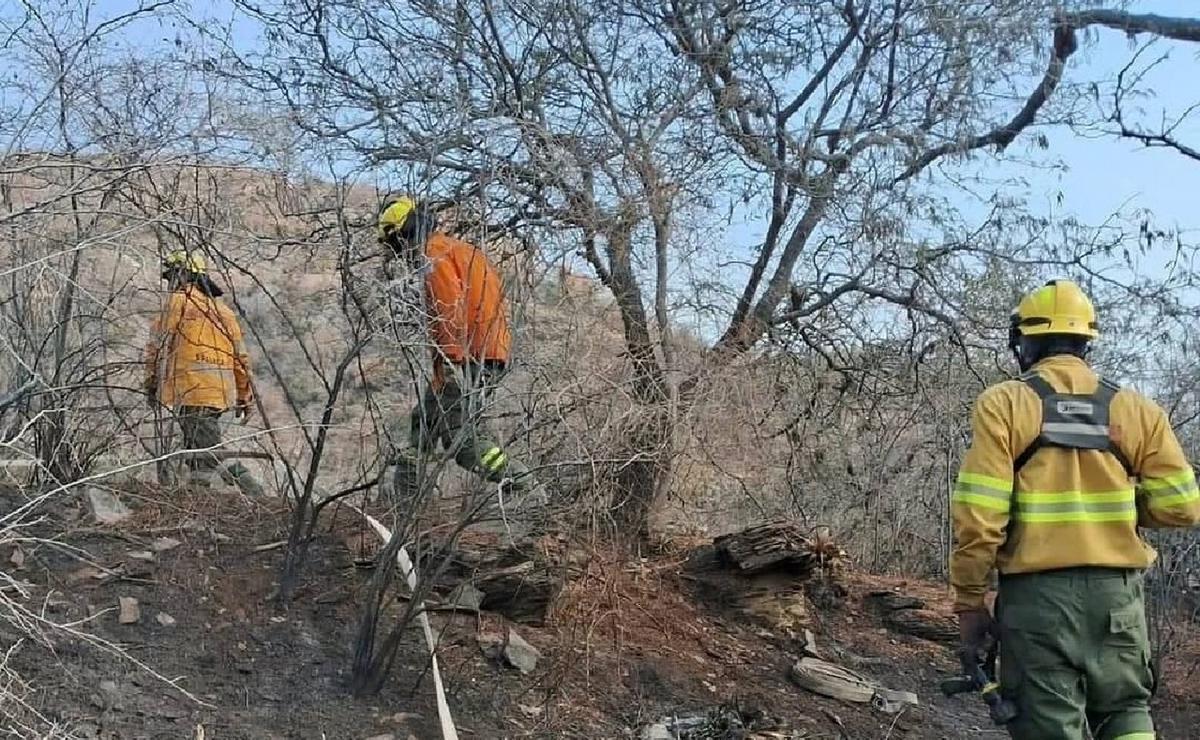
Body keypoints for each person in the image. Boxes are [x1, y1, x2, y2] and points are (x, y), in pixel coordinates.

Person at [950, 279, 1200, 740]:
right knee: (1126, 712)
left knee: (1049, 726)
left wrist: (969, 600)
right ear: (1088, 341)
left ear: (1023, 341)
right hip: (1118, 600)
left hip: (1038, 602)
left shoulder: (1005, 404)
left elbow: (980, 517)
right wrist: (1119, 506)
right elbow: (1183, 507)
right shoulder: (1137, 410)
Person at [375, 195, 541, 508]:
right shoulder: (465, 251)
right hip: (487, 352)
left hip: (464, 357)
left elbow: (448, 310)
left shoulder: (432, 255)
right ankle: (405, 506)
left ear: (401, 235)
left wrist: (448, 364)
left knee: (462, 442)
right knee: (424, 422)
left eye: (395, 245)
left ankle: (522, 484)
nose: (399, 255)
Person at [145, 249, 263, 496]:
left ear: (183, 275)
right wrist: (245, 396)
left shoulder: (177, 303)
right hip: (219, 393)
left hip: (190, 389)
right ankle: (198, 499)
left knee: (210, 451)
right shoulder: (225, 313)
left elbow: (157, 346)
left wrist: (151, 383)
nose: (170, 283)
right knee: (198, 453)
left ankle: (254, 491)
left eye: (171, 276)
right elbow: (241, 359)